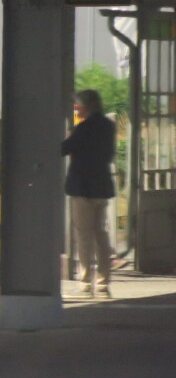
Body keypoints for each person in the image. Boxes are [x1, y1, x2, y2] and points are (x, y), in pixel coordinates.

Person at [63, 87, 117, 297]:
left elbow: (63, 149)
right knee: (101, 235)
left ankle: (85, 284)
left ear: (85, 106)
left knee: (84, 236)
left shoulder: (84, 128)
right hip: (101, 186)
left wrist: (69, 137)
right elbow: (108, 154)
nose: (76, 110)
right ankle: (103, 285)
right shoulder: (108, 126)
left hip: (83, 188)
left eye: (78, 106)